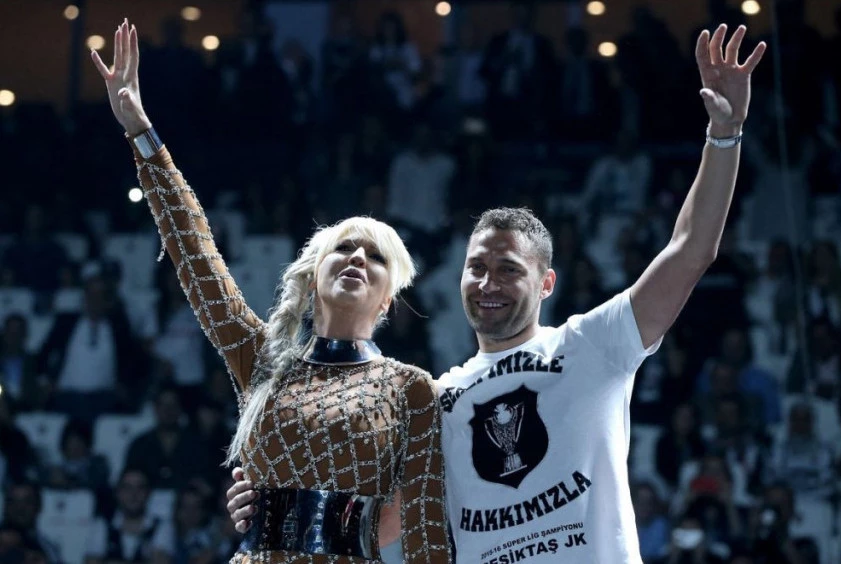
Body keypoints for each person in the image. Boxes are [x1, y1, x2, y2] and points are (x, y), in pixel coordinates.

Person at [228, 23, 766, 563]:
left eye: (509, 269)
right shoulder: (436, 398)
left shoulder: (593, 344)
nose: (488, 283)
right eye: (476, 268)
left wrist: (724, 135)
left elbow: (691, 250)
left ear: (547, 283)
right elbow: (381, 518)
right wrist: (269, 507)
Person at [92, 19, 450, 564]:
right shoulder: (264, 359)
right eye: (344, 248)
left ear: (388, 300)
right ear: (312, 277)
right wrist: (141, 131)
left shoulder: (412, 389)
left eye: (376, 256)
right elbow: (196, 257)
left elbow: (426, 531)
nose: (358, 257)